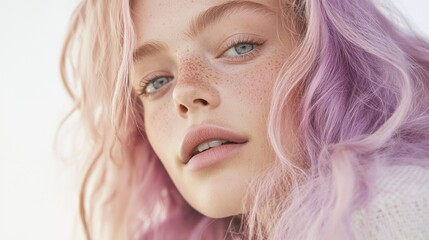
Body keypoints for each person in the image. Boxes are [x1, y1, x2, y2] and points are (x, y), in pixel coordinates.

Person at [59, 0, 429, 239]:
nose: (184, 95)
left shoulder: (392, 212)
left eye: (239, 46)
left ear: (329, 55)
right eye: (156, 81)